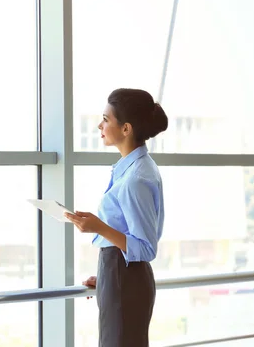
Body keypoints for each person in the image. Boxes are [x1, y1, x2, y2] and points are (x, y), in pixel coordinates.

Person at [65, 88, 168, 347]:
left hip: (126, 281)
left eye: (106, 119)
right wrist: (106, 278)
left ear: (126, 129)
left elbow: (145, 247)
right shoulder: (133, 169)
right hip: (119, 276)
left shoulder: (136, 178)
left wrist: (98, 226)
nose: (100, 125)